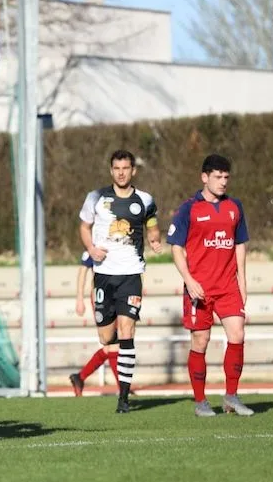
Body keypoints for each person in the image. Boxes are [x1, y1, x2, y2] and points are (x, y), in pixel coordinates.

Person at [167, 154, 253, 417]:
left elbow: (240, 244)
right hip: (200, 289)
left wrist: (242, 280)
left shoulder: (234, 207)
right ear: (205, 177)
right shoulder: (188, 209)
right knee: (201, 340)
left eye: (226, 177)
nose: (223, 181)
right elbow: (176, 248)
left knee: (237, 334)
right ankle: (201, 401)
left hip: (228, 286)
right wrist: (189, 280)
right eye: (218, 176)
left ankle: (231, 397)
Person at [79, 150, 161, 413]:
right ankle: (117, 340)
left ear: (133, 170)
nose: (121, 172)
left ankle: (123, 398)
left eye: (126, 168)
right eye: (117, 168)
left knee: (127, 332)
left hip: (131, 275)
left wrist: (155, 239)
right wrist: (91, 249)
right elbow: (83, 227)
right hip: (103, 275)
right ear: (111, 170)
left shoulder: (145, 199)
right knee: (106, 337)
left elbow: (152, 224)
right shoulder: (96, 197)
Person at [69, 251, 121, 396]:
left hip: (119, 295)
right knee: (113, 344)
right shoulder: (94, 247)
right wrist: (80, 299)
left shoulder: (118, 243)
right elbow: (83, 271)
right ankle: (123, 390)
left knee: (111, 347)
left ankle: (79, 377)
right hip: (101, 298)